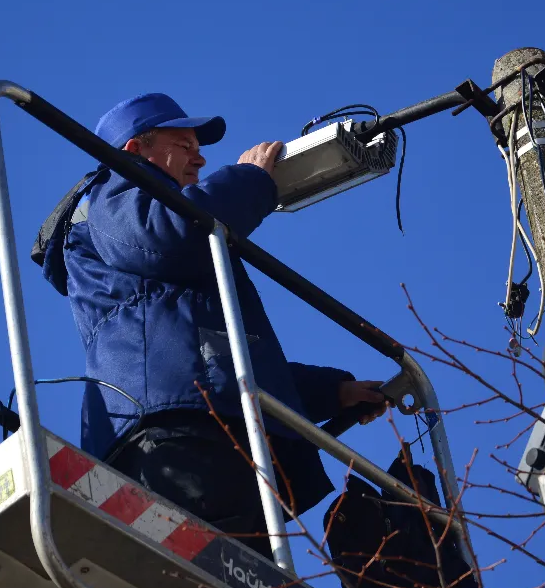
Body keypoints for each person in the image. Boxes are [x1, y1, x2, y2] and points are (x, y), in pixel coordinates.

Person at [36, 93, 391, 560]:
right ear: (135, 149)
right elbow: (171, 238)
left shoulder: (155, 246)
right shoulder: (114, 189)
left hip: (198, 428)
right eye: (184, 143)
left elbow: (217, 359)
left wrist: (332, 391)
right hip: (176, 435)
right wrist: (248, 180)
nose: (200, 156)